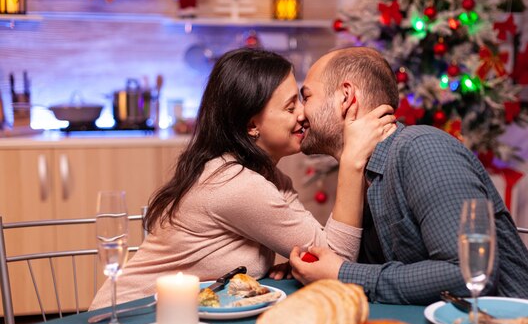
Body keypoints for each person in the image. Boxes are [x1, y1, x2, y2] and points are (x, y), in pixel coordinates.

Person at [90, 48, 395, 310]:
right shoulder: (236, 184)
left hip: (179, 314)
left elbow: (321, 253)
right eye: (291, 107)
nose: (304, 114)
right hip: (130, 316)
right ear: (252, 125)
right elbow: (337, 260)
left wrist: (305, 259)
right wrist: (351, 161)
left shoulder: (267, 176)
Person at [289, 47, 528, 305]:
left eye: (307, 97)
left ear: (346, 97)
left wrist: (343, 274)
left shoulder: (422, 149)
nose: (299, 113)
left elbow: (468, 274)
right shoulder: (358, 169)